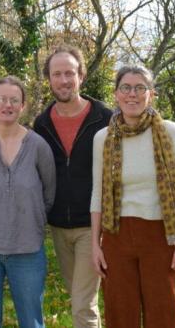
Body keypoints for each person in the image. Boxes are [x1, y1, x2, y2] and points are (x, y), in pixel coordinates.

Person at [90, 66, 175, 328]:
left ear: (152, 94)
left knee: (163, 310)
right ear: (116, 94)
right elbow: (98, 192)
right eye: (125, 88)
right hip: (117, 234)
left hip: (161, 233)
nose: (132, 94)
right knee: (120, 311)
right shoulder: (103, 138)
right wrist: (95, 243)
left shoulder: (169, 132)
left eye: (140, 88)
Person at [0, 76, 56, 328]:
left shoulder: (38, 146)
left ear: (23, 106)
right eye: (2, 99)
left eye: (14, 100)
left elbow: (48, 194)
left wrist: (27, 219)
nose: (8, 105)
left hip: (27, 247)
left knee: (31, 321)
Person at [33, 46, 112, 328]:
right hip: (58, 225)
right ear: (49, 79)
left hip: (94, 224)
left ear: (81, 76)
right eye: (57, 74)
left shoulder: (105, 118)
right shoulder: (41, 124)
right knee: (79, 297)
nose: (64, 80)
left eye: (70, 73)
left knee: (82, 304)